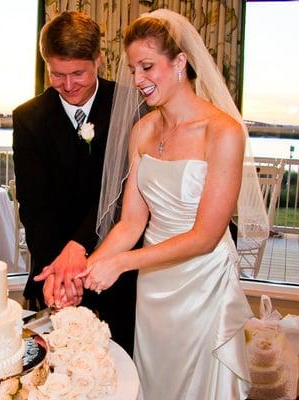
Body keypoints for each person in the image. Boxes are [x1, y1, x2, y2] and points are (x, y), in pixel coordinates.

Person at [78, 9, 269, 399]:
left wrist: (122, 263)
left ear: (180, 62)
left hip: (203, 285)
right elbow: (131, 223)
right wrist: (87, 268)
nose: (138, 80)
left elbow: (204, 236)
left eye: (147, 66)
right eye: (133, 69)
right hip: (154, 286)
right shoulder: (143, 130)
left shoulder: (223, 132)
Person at [12, 11, 137, 356]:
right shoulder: (28, 117)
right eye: (57, 74)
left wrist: (79, 248)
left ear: (99, 59)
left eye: (78, 73)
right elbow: (34, 207)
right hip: (55, 273)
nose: (68, 86)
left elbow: (126, 194)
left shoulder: (132, 105)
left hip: (118, 270)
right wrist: (59, 274)